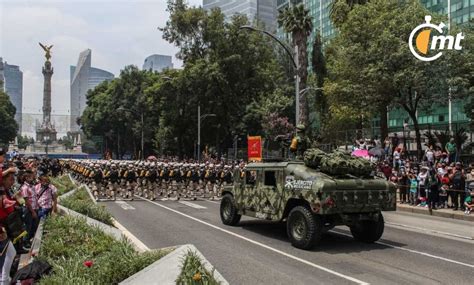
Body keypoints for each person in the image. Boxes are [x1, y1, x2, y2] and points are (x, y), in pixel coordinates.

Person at [20, 170, 39, 243]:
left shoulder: (31, 186)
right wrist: (33, 212)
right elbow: (27, 201)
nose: (33, 177)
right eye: (31, 176)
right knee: (28, 226)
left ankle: (29, 240)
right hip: (29, 210)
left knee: (33, 226)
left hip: (34, 208)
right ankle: (25, 242)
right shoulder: (25, 188)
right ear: (27, 178)